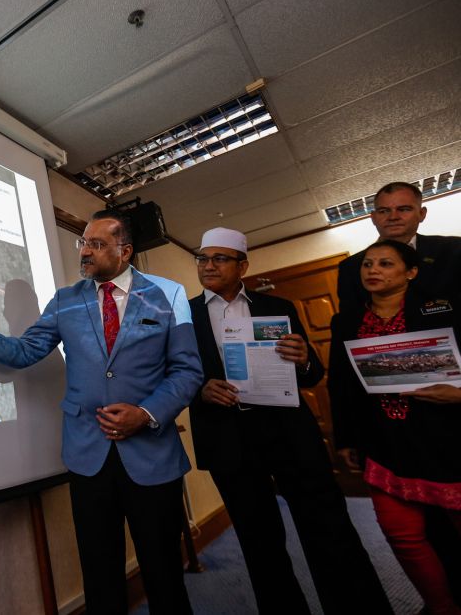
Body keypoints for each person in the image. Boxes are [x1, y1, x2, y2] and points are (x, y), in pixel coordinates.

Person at [0, 209, 202, 614]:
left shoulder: (168, 295)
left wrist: (146, 414)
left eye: (97, 244)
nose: (85, 252)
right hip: (88, 458)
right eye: (83, 243)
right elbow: (25, 350)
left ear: (125, 250)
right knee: (100, 574)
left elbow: (187, 371)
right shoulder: (65, 301)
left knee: (163, 571)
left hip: (152, 456)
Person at [187, 227, 392, 614]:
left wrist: (305, 359)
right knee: (259, 541)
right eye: (202, 258)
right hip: (228, 439)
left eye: (219, 258)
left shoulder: (276, 307)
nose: (208, 266)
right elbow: (172, 376)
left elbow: (312, 374)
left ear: (242, 265)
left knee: (329, 529)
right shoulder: (181, 318)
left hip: (289, 433)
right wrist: (199, 389)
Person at [330, 239, 461, 615]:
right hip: (385, 442)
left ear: (411, 272)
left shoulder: (446, 309)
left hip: (448, 439)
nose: (373, 270)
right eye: (368, 264)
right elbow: (341, 385)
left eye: (386, 264)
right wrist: (346, 439)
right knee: (402, 537)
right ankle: (441, 607)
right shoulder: (346, 322)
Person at [337, 181, 461, 309]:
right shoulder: (351, 266)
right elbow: (349, 320)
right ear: (373, 218)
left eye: (404, 209)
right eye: (384, 211)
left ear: (422, 214)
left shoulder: (454, 250)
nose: (393, 217)